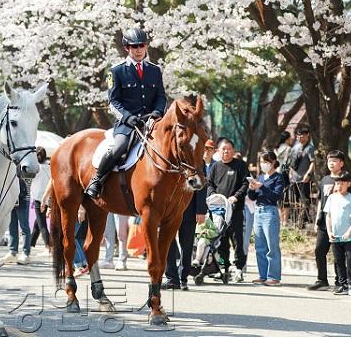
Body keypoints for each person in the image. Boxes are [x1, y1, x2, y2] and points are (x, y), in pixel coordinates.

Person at [85, 27, 166, 198]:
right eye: (134, 46)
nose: (138, 50)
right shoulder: (116, 71)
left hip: (152, 122)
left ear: (146, 46)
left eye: (141, 45)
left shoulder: (154, 70)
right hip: (128, 124)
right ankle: (97, 179)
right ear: (127, 48)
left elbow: (160, 97)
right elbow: (113, 102)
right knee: (119, 147)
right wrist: (128, 117)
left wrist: (158, 112)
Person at [307, 150, 351, 291]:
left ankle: (340, 281)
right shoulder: (324, 179)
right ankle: (321, 279)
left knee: (338, 253)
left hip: (340, 223)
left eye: (334, 161)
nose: (331, 163)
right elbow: (321, 201)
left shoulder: (346, 180)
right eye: (329, 161)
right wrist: (317, 219)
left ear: (341, 163)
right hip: (324, 221)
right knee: (319, 250)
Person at [207, 138, 249, 282]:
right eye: (223, 149)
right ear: (218, 151)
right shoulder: (215, 167)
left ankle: (239, 269)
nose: (226, 151)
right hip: (219, 211)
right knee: (221, 241)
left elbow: (245, 184)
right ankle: (223, 268)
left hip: (235, 210)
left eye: (229, 148)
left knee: (237, 240)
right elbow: (209, 184)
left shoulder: (240, 165)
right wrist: (213, 195)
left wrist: (235, 197)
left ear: (233, 150)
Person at [163, 163, 207, 291]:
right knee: (168, 242)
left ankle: (183, 278)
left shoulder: (195, 158)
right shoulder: (168, 157)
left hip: (189, 208)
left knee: (187, 245)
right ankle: (172, 278)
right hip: (169, 209)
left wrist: (200, 210)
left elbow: (202, 185)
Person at [248, 151, 284, 286]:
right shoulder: (261, 177)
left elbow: (276, 196)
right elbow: (253, 197)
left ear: (273, 162)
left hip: (270, 212)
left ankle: (274, 276)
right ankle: (263, 275)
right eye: (262, 162)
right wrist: (252, 188)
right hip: (258, 211)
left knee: (272, 246)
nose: (263, 165)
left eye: (266, 162)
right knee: (259, 246)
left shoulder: (278, 178)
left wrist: (262, 187)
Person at [324, 172, 351, 297]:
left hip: (349, 237)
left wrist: (349, 232)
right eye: (337, 183)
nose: (339, 185)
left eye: (342, 183)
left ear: (348, 184)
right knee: (338, 261)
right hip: (335, 236)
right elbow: (328, 216)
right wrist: (329, 232)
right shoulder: (331, 198)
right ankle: (343, 285)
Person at [0, 179, 32, 265]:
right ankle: (13, 251)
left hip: (23, 197)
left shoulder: (24, 165)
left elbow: (29, 178)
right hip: (11, 198)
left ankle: (25, 253)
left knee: (24, 226)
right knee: (12, 226)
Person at [289, 126, 315, 217]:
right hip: (294, 179)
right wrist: (290, 173)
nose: (300, 138)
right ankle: (295, 220)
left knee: (304, 200)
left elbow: (313, 163)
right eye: (298, 136)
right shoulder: (294, 148)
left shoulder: (310, 148)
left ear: (307, 136)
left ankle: (303, 220)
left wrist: (308, 174)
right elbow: (291, 163)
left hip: (305, 179)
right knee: (294, 201)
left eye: (302, 136)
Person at [30, 147, 50, 249]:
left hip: (38, 199)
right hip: (48, 199)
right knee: (37, 223)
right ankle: (31, 244)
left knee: (42, 225)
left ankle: (50, 246)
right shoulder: (49, 166)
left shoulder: (35, 168)